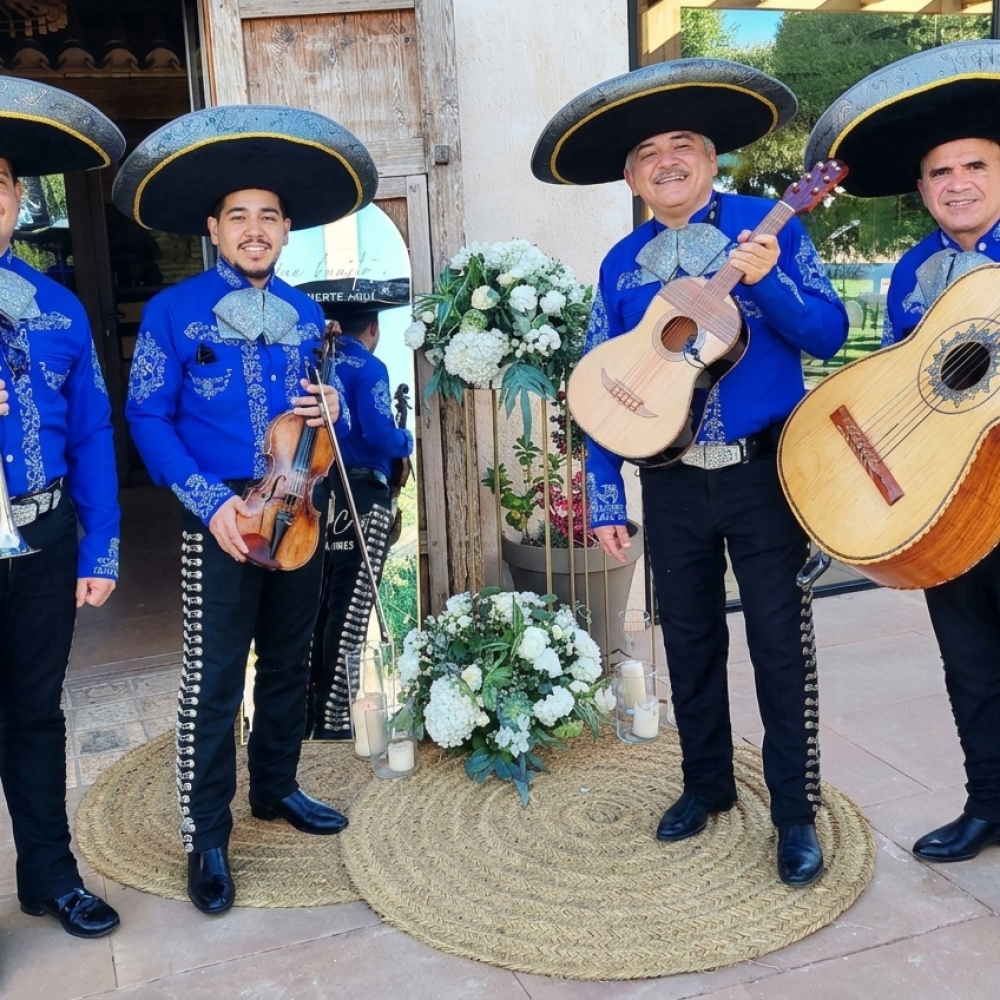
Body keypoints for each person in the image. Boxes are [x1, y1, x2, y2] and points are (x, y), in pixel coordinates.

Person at [532, 59, 848, 886]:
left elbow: (827, 332)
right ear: (631, 177)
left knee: (780, 644)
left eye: (681, 145)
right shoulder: (619, 263)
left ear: (711, 159)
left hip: (764, 474)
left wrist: (769, 282)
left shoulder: (770, 226)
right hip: (669, 483)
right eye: (647, 153)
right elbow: (603, 386)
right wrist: (606, 493)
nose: (665, 161)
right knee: (689, 638)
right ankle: (705, 784)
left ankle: (794, 813)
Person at [115, 105, 379, 914]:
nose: (254, 230)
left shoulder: (309, 316)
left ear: (286, 230)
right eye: (238, 216)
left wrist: (333, 403)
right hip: (220, 513)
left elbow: (324, 423)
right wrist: (208, 504)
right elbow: (146, 415)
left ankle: (276, 787)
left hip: (298, 508)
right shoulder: (173, 310)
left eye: (268, 216)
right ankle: (207, 835)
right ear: (214, 228)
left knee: (291, 659)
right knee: (215, 676)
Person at [805, 39, 1000, 864]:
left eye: (975, 165)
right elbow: (906, 380)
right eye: (939, 172)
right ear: (921, 190)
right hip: (949, 504)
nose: (957, 183)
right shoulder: (914, 270)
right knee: (970, 663)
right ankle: (988, 803)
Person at [0, 79, 125, 937]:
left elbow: (91, 431)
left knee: (35, 714)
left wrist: (101, 544)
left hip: (42, 535)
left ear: (17, 196)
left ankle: (50, 876)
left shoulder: (58, 307)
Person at [304, 294, 414, 740]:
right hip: (363, 494)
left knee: (318, 604)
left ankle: (305, 714)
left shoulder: (316, 363)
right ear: (373, 328)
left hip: (317, 493)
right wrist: (407, 440)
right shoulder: (369, 368)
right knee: (351, 608)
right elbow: (380, 434)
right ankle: (335, 720)